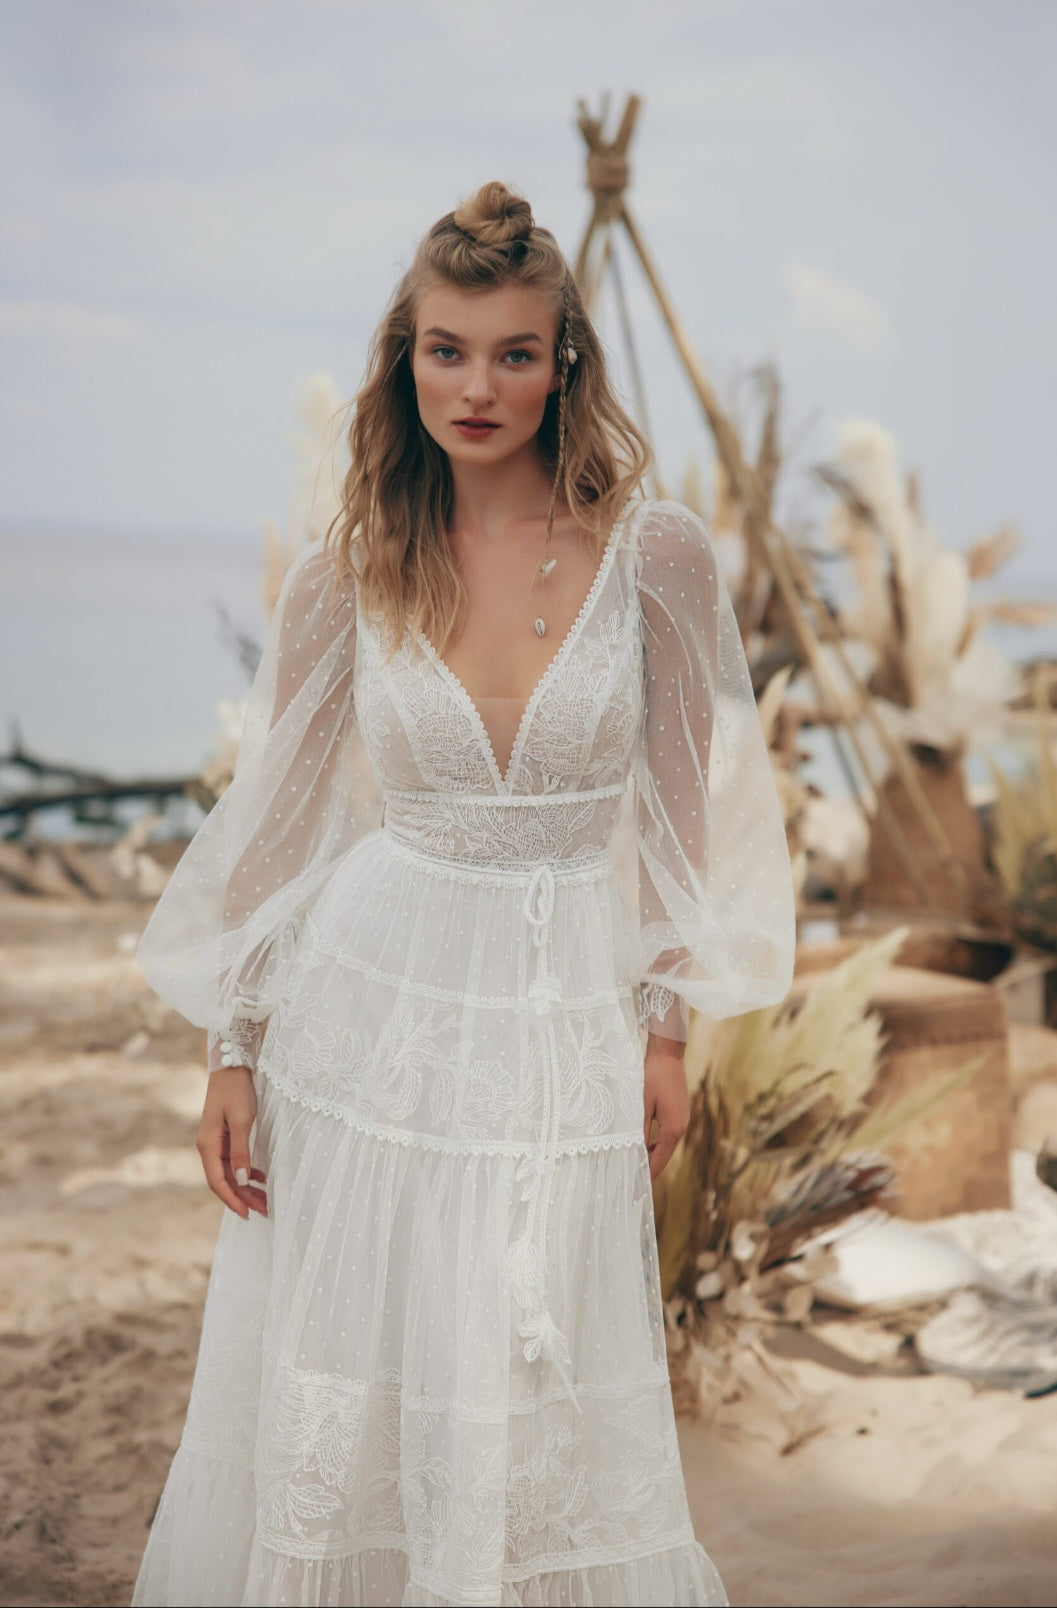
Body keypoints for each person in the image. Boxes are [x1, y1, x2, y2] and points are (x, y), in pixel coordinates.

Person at [132, 180, 795, 1608]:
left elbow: (682, 815)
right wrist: (231, 1048)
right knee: (358, 1358)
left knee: (536, 1363)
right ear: (403, 359)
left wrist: (667, 1022)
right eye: (445, 348)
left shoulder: (656, 554)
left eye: (510, 350)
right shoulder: (349, 566)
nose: (475, 384)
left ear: (564, 363)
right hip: (368, 1019)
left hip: (564, 1014)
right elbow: (274, 825)